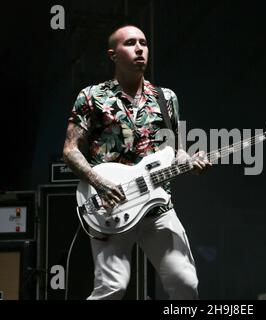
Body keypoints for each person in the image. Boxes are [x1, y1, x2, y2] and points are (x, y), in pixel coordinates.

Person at [62, 24, 211, 300]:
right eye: (130, 43)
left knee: (186, 283)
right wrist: (99, 183)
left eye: (143, 42)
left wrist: (191, 161)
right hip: (110, 206)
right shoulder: (91, 96)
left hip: (157, 205)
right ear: (113, 55)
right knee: (113, 287)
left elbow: (176, 151)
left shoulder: (166, 98)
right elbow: (70, 150)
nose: (140, 48)